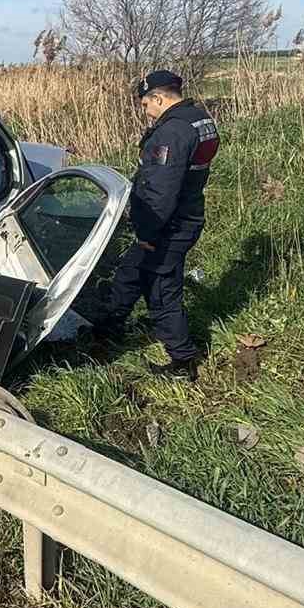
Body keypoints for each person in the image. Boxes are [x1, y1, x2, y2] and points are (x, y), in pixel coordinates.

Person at [92, 69, 219, 379]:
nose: (146, 113)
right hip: (182, 215)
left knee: (161, 290)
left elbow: (161, 189)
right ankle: (110, 326)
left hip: (167, 225)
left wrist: (147, 233)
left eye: (146, 105)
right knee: (131, 271)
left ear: (158, 98)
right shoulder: (199, 119)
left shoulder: (172, 132)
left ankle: (182, 360)